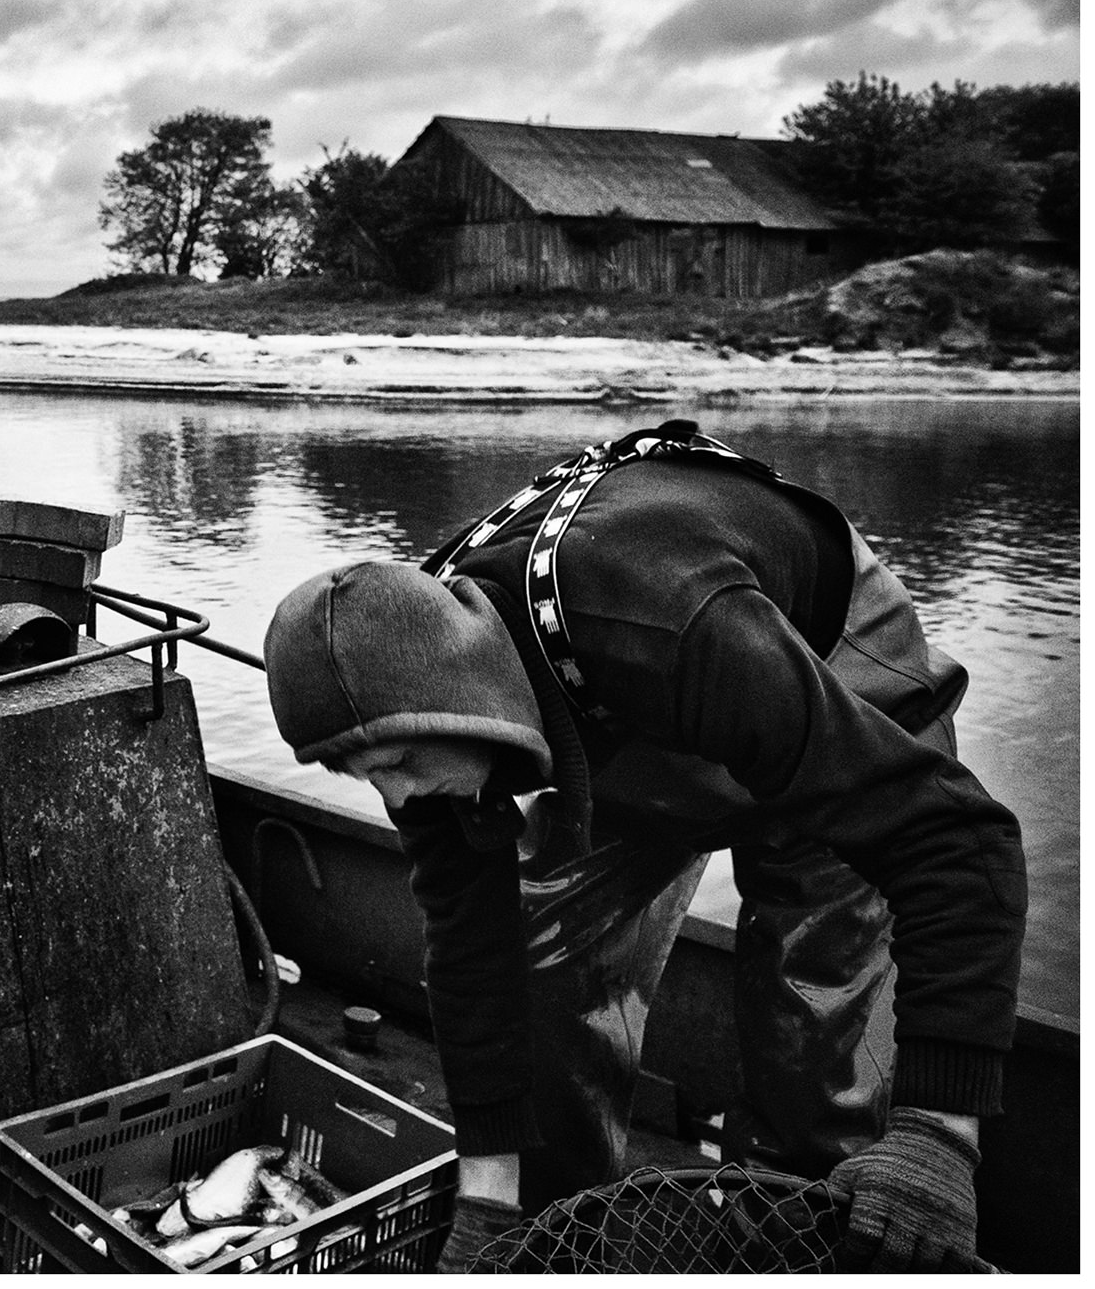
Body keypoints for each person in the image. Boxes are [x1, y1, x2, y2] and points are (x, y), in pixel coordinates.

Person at [260, 421, 1024, 1272]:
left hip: (825, 677)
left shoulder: (668, 625)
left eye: (398, 762)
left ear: (453, 707)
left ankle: (789, 1237)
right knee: (537, 951)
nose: (396, 796)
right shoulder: (403, 689)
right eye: (361, 772)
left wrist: (939, 1132)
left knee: (818, 1034)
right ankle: (561, 1234)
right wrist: (487, 1204)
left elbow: (961, 839)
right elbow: (473, 954)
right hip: (629, 714)